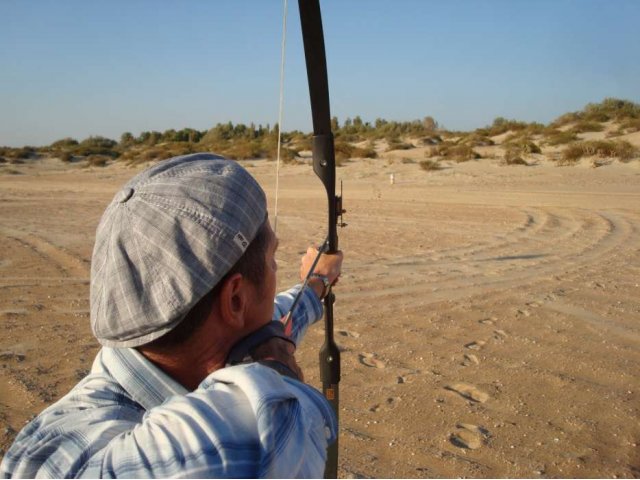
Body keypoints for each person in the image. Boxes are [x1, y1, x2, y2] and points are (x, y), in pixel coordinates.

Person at [0, 153, 344, 478]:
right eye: (272, 259)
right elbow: (265, 428)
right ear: (236, 299)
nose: (274, 267)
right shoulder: (68, 460)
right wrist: (275, 368)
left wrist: (315, 285)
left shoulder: (169, 348)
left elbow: (267, 322)